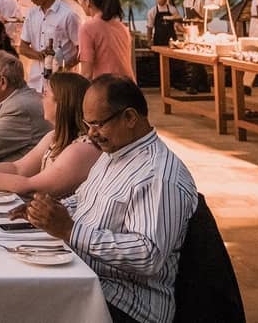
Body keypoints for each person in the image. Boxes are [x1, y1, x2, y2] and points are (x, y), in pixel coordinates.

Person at [27, 75, 198, 323]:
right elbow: (85, 200)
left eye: (98, 124)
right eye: (87, 125)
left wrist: (70, 230)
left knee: (21, 304)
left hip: (127, 303)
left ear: (130, 118)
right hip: (90, 279)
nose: (91, 134)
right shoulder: (113, 153)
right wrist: (47, 210)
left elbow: (148, 254)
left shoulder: (157, 175)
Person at [0, 71, 100, 195]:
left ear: (62, 104)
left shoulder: (81, 149)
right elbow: (18, 168)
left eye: (46, 94)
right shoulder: (54, 136)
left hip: (54, 227)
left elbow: (28, 184)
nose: (41, 98)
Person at [19, 0, 80, 92]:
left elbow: (82, 51)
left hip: (61, 84)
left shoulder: (68, 15)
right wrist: (40, 55)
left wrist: (65, 68)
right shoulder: (32, 14)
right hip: (36, 83)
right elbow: (23, 48)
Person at [79, 0, 136, 81]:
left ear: (87, 1)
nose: (80, 3)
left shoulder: (88, 28)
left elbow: (86, 74)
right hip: (130, 88)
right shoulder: (122, 27)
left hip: (106, 90)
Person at [177, 0, 208, 94]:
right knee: (195, 60)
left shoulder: (201, 1)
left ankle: (193, 85)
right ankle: (204, 85)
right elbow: (186, 18)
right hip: (190, 32)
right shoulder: (185, 3)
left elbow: (207, 19)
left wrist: (199, 20)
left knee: (196, 59)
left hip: (200, 32)